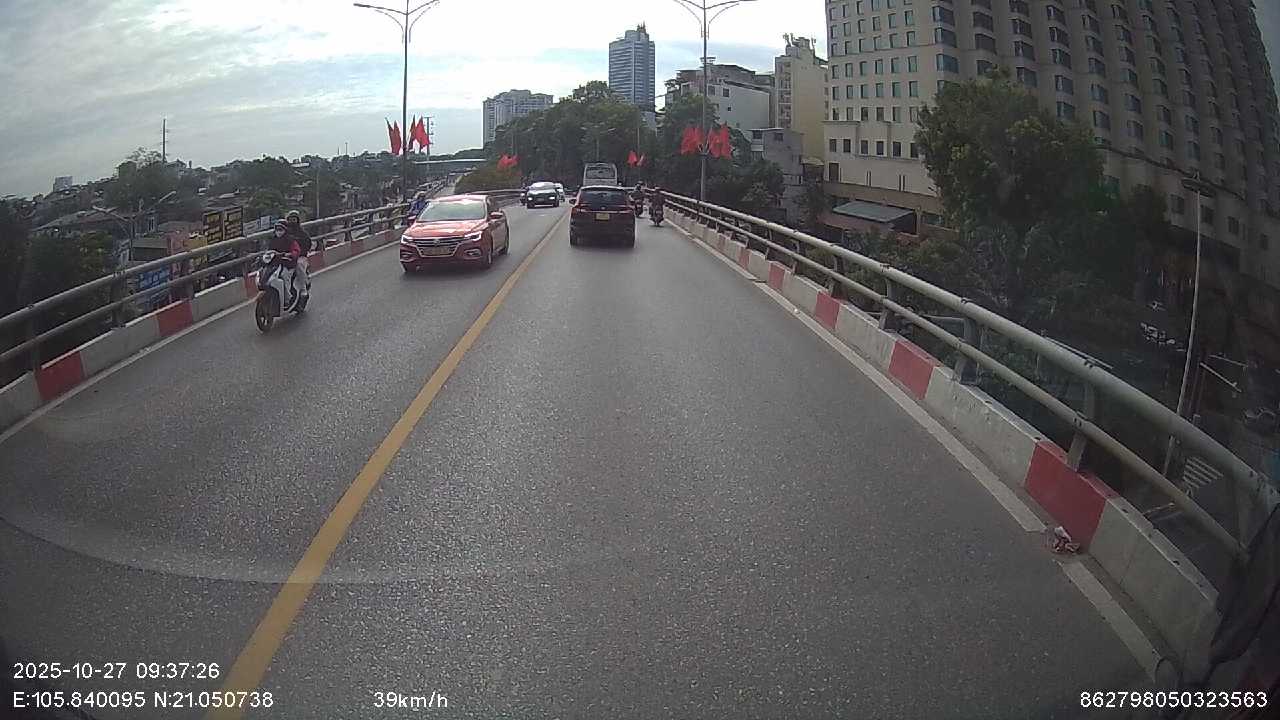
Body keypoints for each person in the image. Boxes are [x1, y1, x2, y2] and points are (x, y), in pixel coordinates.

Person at [284, 210, 312, 297]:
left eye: (294, 220)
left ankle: (303, 289)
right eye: (290, 220)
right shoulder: (284, 233)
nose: (292, 222)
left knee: (299, 265)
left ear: (297, 220)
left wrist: (298, 253)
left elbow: (308, 245)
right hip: (287, 256)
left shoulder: (302, 234)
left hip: (300, 257)